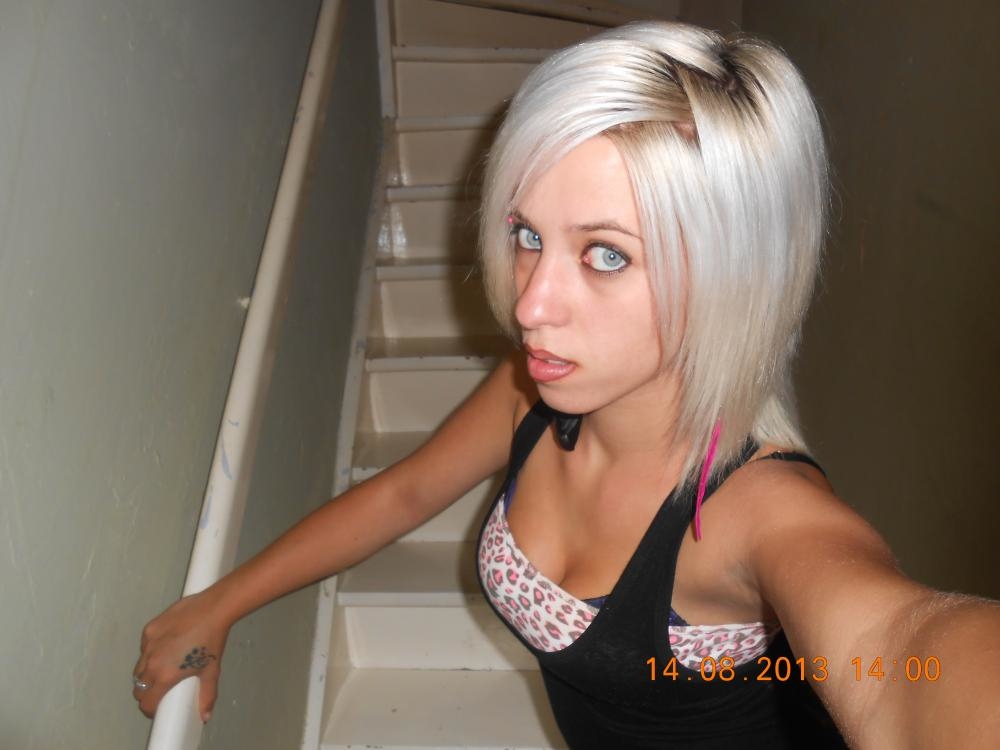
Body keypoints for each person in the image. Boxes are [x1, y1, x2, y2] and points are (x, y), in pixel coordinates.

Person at [135, 21, 1000, 748]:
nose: (531, 305)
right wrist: (219, 604)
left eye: (607, 255)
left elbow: (906, 653)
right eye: (527, 235)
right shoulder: (539, 389)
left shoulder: (759, 512)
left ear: (731, 276)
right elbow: (404, 493)